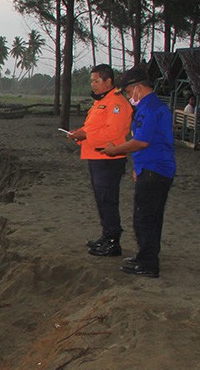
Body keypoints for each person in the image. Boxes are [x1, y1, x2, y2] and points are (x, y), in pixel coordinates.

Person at [103, 66, 176, 278]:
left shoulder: (150, 109)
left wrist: (114, 150)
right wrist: (137, 168)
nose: (127, 97)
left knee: (146, 218)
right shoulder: (149, 107)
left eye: (127, 92)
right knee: (147, 216)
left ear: (137, 88)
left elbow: (141, 141)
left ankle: (148, 263)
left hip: (156, 169)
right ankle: (145, 255)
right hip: (150, 168)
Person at [67, 64, 132, 257]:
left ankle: (113, 241)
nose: (93, 85)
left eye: (96, 81)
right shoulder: (101, 102)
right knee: (101, 200)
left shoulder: (117, 103)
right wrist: (79, 133)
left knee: (108, 199)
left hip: (109, 158)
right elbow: (93, 127)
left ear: (108, 81)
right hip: (96, 156)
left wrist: (85, 135)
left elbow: (113, 132)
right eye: (91, 81)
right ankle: (107, 236)